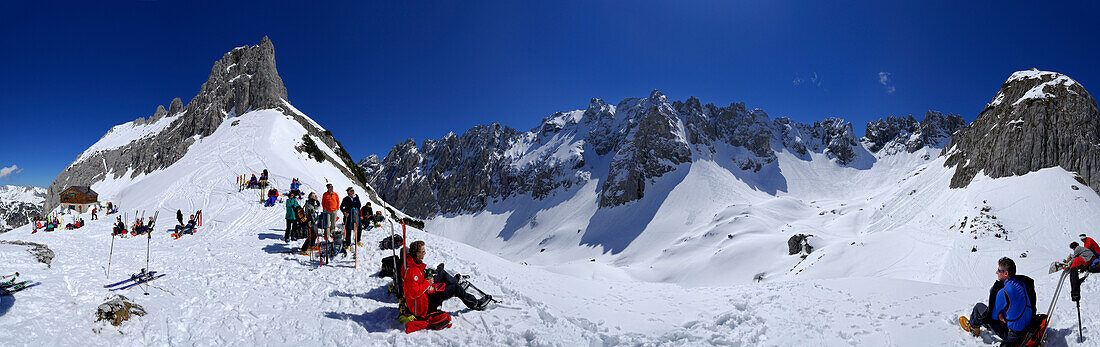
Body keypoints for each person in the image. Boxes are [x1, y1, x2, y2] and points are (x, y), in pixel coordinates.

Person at [403, 241, 490, 325]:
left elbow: (416, 281)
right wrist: (427, 282)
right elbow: (413, 293)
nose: (425, 253)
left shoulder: (414, 264)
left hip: (426, 293)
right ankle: (475, 304)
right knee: (455, 288)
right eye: (423, 251)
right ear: (417, 253)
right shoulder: (413, 271)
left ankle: (452, 281)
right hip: (425, 304)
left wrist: (427, 274)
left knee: (440, 272)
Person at [965, 257, 1035, 343]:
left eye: (999, 270)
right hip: (1026, 327)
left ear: (1006, 273)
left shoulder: (1004, 292)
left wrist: (999, 315)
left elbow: (993, 317)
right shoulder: (1022, 283)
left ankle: (973, 327)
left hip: (1013, 336)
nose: (996, 272)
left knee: (978, 307)